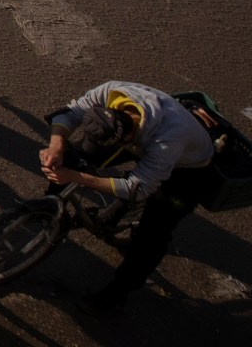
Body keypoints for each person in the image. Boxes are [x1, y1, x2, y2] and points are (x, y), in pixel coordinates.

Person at [42, 81, 222, 313]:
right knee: (72, 156)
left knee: (152, 233)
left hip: (187, 171)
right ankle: (51, 209)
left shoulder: (168, 140)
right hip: (142, 141)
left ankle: (117, 294)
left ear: (127, 139)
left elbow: (138, 187)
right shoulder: (112, 92)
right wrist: (56, 145)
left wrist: (76, 177)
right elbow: (71, 112)